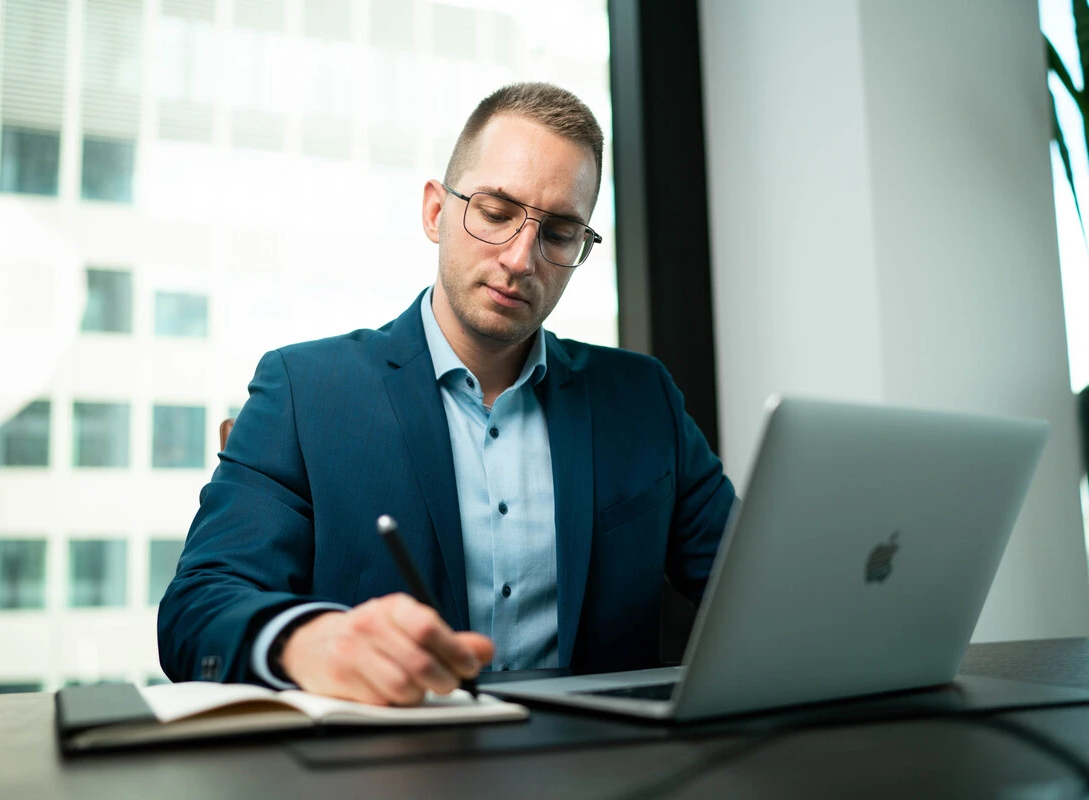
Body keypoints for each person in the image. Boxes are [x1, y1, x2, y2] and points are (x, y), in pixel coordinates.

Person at [158, 82, 736, 706]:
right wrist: (307, 643)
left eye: (561, 232)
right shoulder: (305, 392)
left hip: (599, 765)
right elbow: (198, 608)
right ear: (436, 212)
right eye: (495, 212)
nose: (520, 259)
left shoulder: (642, 398)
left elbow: (754, 589)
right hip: (387, 769)